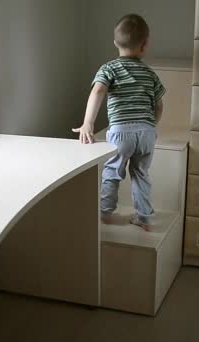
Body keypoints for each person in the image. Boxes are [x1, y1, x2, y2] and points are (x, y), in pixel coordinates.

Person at [72, 14, 165, 231]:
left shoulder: (109, 68)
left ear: (115, 43)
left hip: (121, 132)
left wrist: (88, 123)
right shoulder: (150, 73)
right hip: (146, 132)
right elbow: (159, 105)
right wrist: (152, 124)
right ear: (145, 45)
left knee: (113, 171)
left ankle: (104, 213)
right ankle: (144, 218)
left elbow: (98, 90)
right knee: (141, 174)